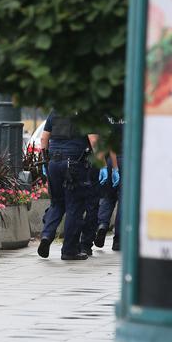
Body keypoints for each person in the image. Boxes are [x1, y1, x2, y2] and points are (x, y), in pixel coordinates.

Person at [37, 110, 107, 261]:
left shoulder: (55, 111)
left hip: (53, 163)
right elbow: (94, 141)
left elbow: (44, 139)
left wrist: (46, 161)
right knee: (74, 206)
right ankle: (69, 250)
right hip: (74, 164)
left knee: (57, 203)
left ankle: (47, 236)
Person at [95, 116, 124, 251]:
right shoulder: (132, 111)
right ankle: (118, 240)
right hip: (127, 158)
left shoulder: (108, 115)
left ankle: (102, 225)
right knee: (124, 201)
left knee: (108, 197)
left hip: (109, 161)